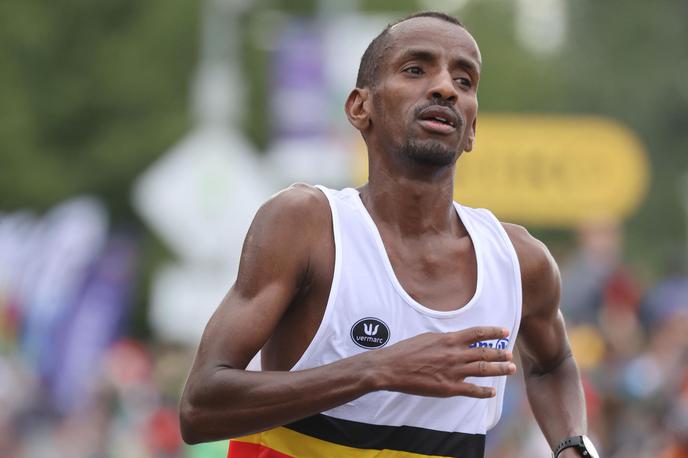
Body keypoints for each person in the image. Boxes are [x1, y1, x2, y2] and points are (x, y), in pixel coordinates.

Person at [180, 11, 596, 458]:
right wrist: (377, 369)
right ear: (361, 108)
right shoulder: (306, 226)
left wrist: (572, 446)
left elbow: (553, 364)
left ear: (473, 129)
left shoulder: (519, 260)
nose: (444, 88)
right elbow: (200, 408)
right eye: (416, 69)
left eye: (464, 80)